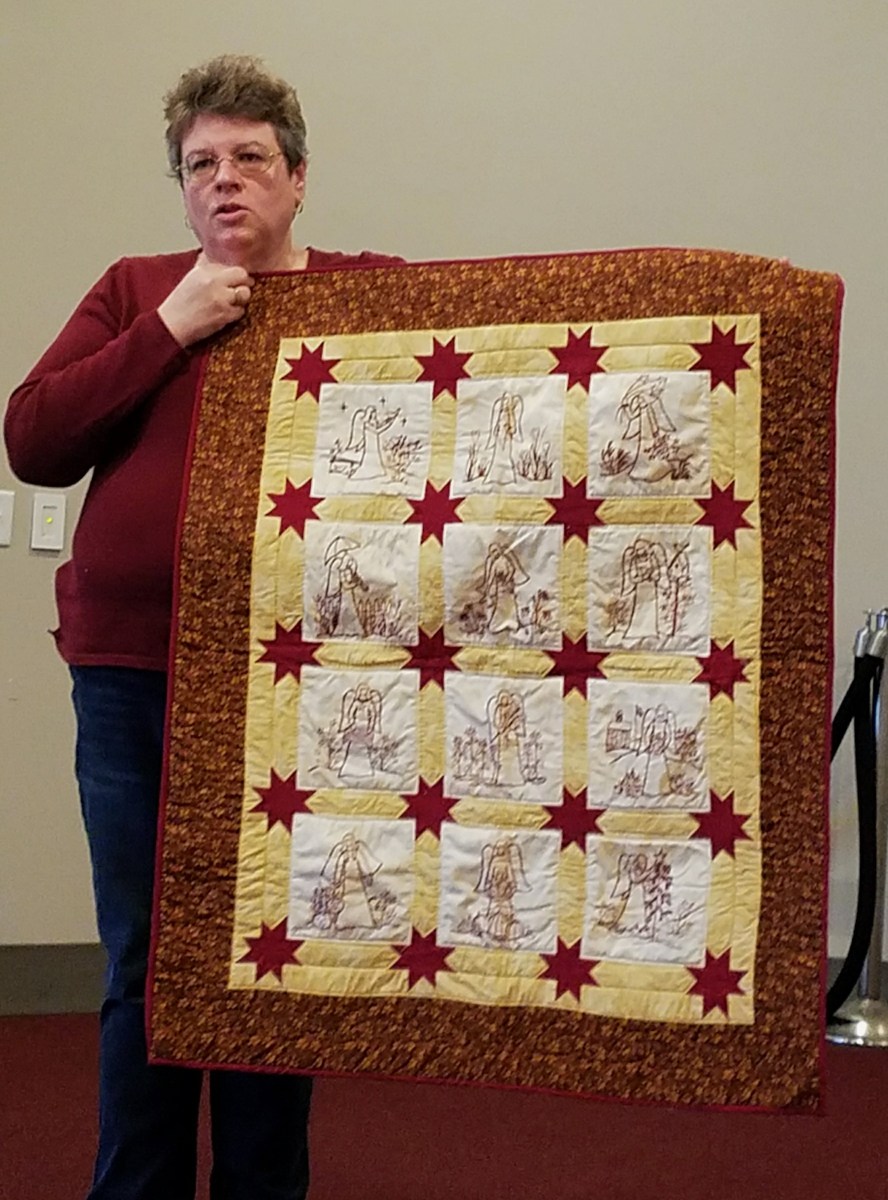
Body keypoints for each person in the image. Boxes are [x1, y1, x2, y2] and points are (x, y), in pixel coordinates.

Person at [4, 54, 402, 1200]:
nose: (223, 180)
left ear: (298, 177)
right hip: (132, 674)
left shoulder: (371, 298)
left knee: (279, 955)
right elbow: (34, 440)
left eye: (249, 159)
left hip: (303, 682)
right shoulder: (137, 290)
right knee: (146, 959)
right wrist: (168, 329)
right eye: (199, 164)